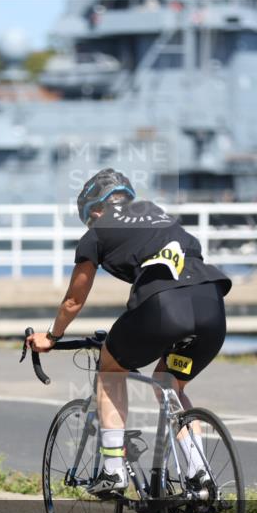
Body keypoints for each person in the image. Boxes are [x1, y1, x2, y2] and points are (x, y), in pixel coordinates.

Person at [26, 169, 232, 494]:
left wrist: (51, 337)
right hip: (211, 305)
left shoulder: (97, 231)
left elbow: (73, 300)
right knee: (169, 384)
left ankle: (112, 471)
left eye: (87, 219)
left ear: (95, 210)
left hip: (164, 306)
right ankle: (199, 477)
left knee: (110, 370)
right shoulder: (157, 214)